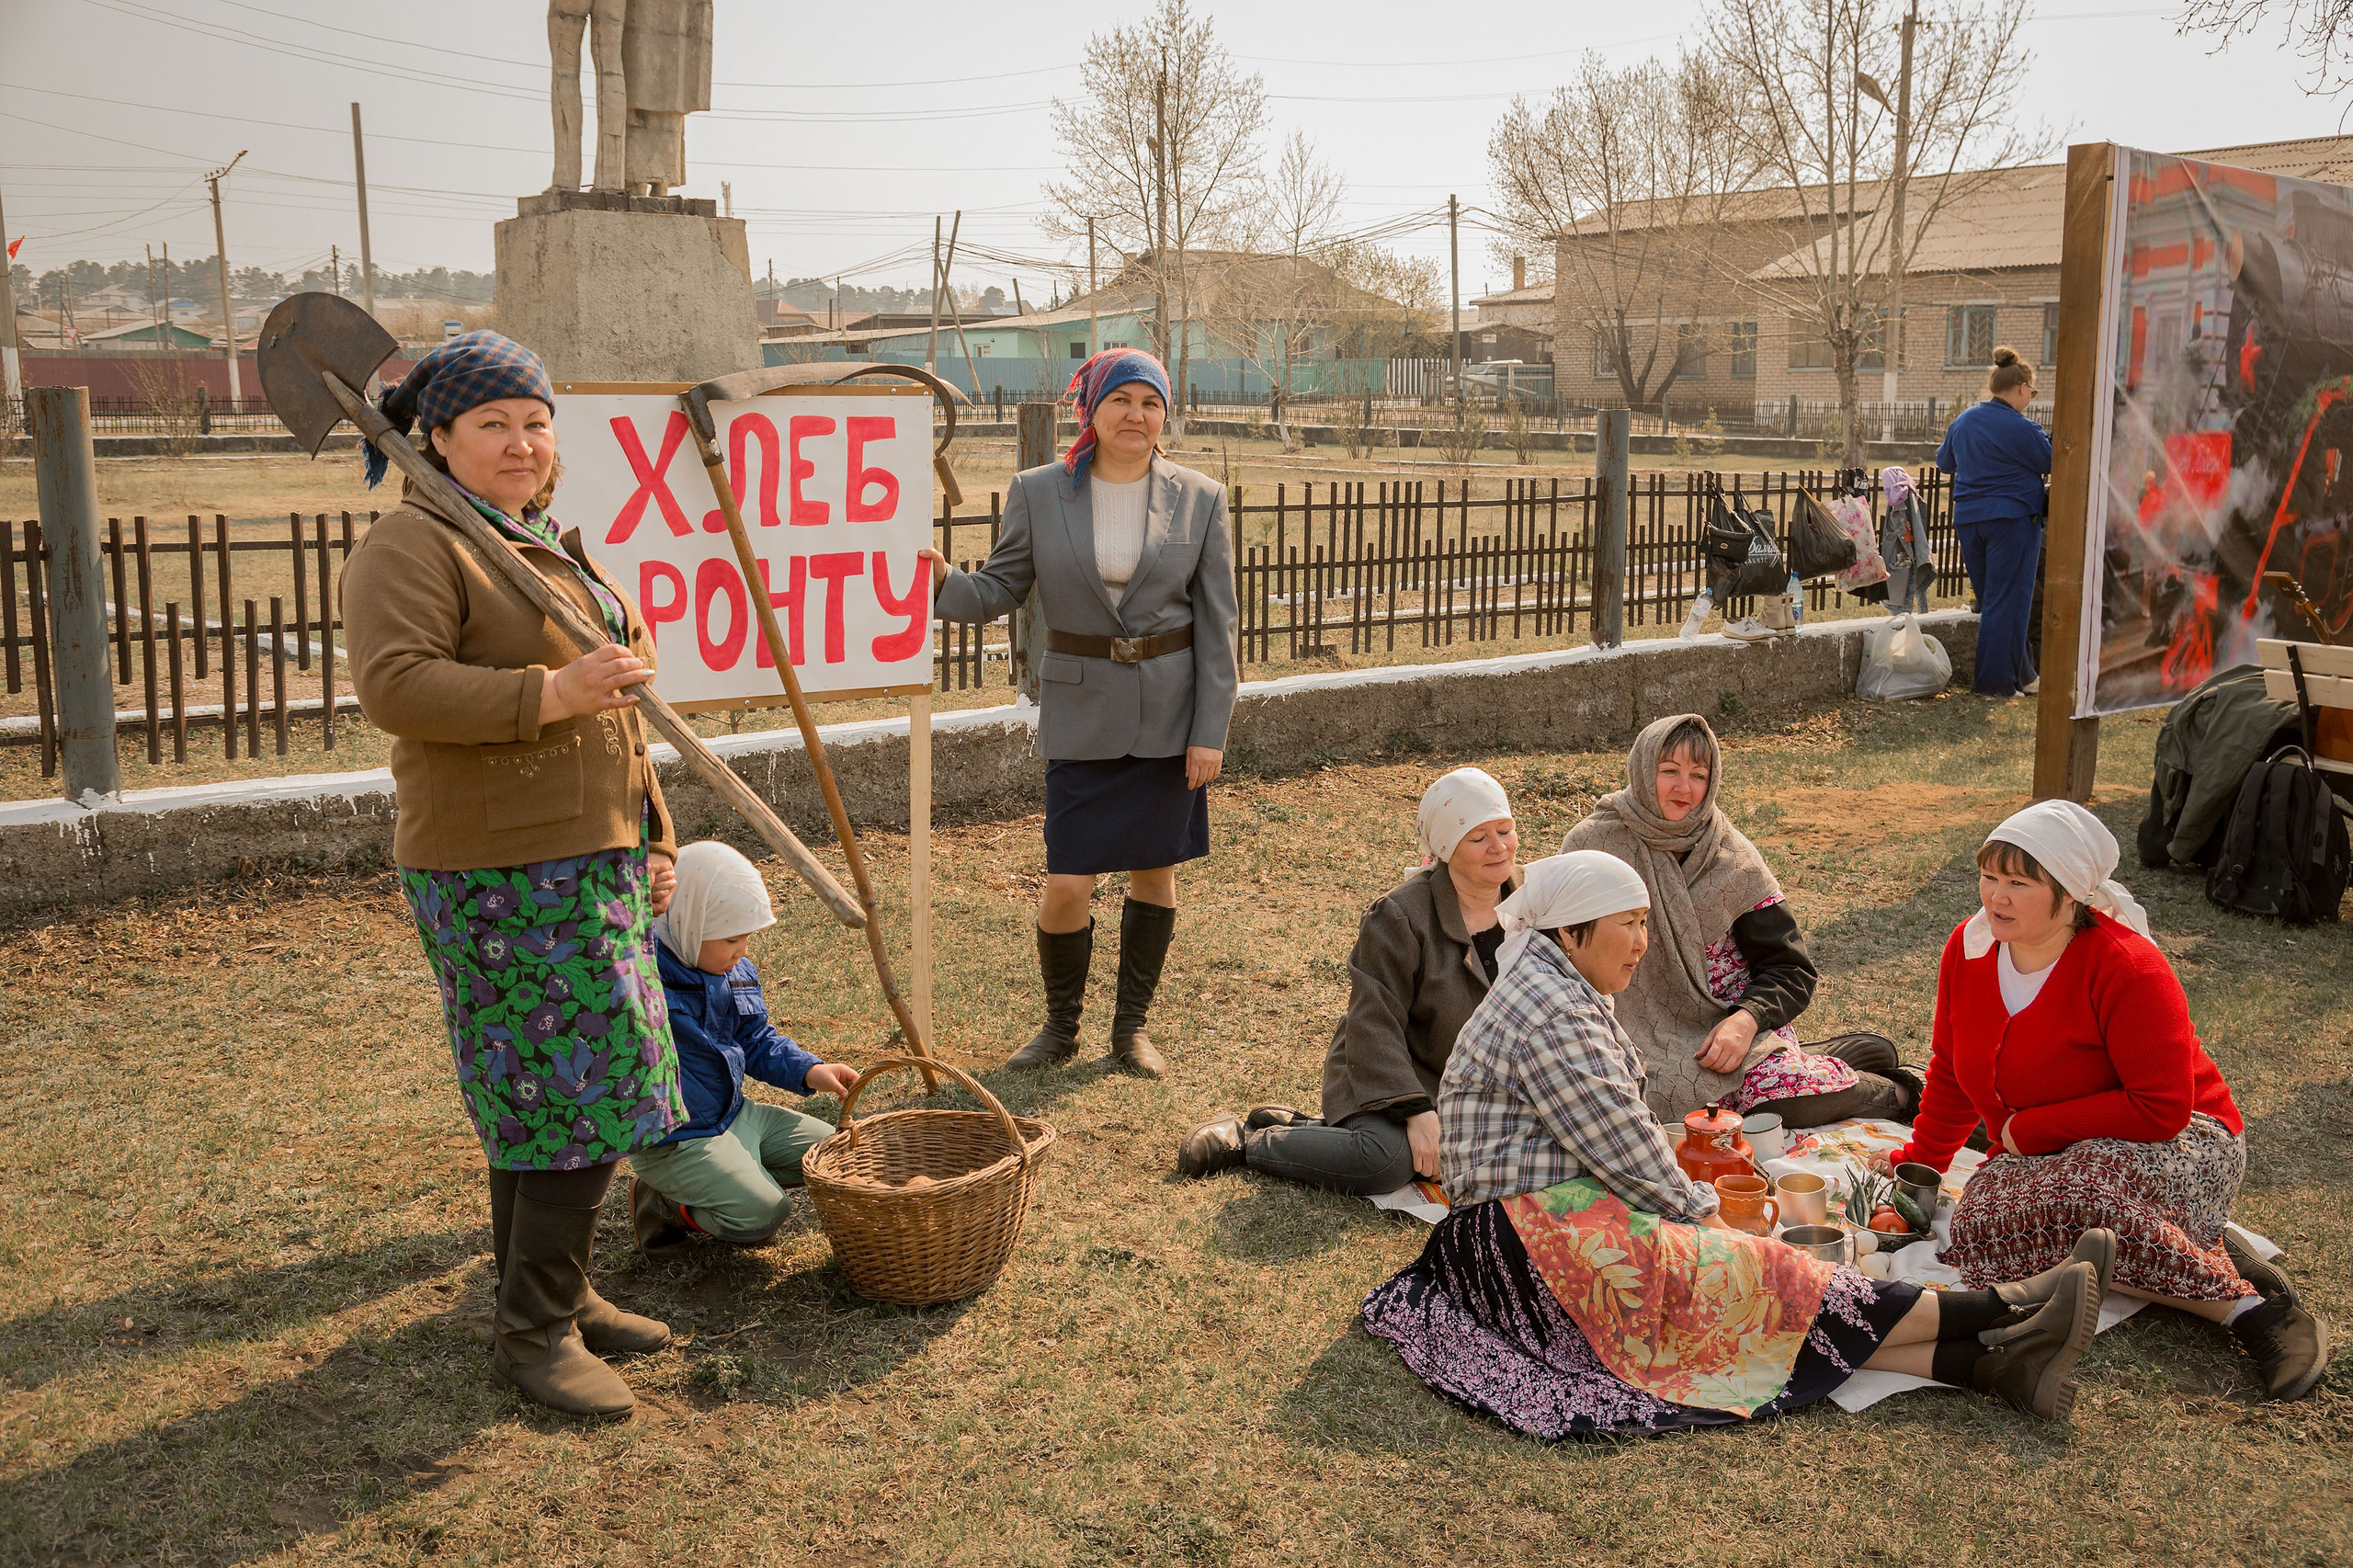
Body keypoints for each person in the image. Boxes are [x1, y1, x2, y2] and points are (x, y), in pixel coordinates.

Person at [1358, 852, 2110, 1441]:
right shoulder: (1552, 1015)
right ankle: (2001, 1309)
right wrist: (1702, 1217)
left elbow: (1614, 1138)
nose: (1644, 944)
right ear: (1571, 931)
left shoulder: (1552, 988)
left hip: (1540, 1225)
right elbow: (1623, 1143)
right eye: (1630, 924)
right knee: (1748, 1278)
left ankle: (1989, 1368)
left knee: (1735, 1317)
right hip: (1523, 1242)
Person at [343, 332, 683, 1421]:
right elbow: (396, 686)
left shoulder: (532, 542)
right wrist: (550, 691)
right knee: (583, 1084)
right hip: (499, 866)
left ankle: (560, 1292)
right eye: (492, 423)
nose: (521, 441)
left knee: (540, 1087)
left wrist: (656, 831)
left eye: (535, 421)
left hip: (589, 851)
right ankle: (531, 1332)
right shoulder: (413, 542)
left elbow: (616, 701)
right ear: (436, 439)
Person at [1887, 801, 2332, 1403]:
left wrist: (2027, 1131)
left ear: (2070, 894)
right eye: (1990, 877)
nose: (1997, 897)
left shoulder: (2127, 966)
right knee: (1979, 1225)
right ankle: (2203, 1241)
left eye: (2020, 883)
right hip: (2058, 1145)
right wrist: (1923, 1165)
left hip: (2185, 1137)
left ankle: (2252, 1310)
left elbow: (2161, 1108)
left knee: (2084, 1201)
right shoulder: (1967, 953)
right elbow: (1949, 1071)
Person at [920, 348, 1238, 1079]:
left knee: (1154, 877)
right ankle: (1060, 1027)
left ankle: (1131, 1031)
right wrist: (937, 574)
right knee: (1067, 881)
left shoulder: (1200, 496)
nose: (1137, 415)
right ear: (1090, 411)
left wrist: (1208, 733)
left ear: (1166, 416)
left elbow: (1219, 625)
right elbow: (994, 592)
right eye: (1121, 400)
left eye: (1151, 403)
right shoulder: (1039, 492)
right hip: (1080, 711)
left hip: (1169, 715)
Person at [1560, 713, 1919, 1127]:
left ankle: (1896, 1092)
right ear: (1642, 771)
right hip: (1627, 1030)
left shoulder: (1731, 856)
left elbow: (1790, 969)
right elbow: (1562, 944)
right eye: (1669, 771)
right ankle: (1823, 1058)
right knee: (1635, 1113)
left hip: (1728, 1033)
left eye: (1698, 774)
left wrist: (1746, 1021)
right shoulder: (1593, 844)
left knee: (1777, 1108)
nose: (1684, 788)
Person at [1174, 767, 1522, 1190]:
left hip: (1482, 1084)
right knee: (1386, 1161)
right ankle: (1248, 1140)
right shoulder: (1399, 915)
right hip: (1392, 1070)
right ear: (1447, 848)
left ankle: (1309, 1128)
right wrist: (1414, 1110)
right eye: (1478, 838)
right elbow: (1373, 1019)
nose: (1499, 847)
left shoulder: (1537, 901)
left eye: (1505, 829)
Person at [628, 841, 859, 1256]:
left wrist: (811, 1070)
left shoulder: (733, 969)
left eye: (747, 939)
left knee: (836, 1157)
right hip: (679, 1140)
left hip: (736, 1116)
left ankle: (733, 1175)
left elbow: (755, 1039)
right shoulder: (643, 980)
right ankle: (662, 1201)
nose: (743, 952)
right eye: (732, 939)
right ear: (688, 924)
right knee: (763, 1214)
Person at [1937, 347, 2052, 698]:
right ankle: (1995, 684)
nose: (2031, 399)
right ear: (2020, 387)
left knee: (1994, 599)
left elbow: (1945, 462)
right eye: (2032, 392)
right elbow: (2053, 460)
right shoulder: (2023, 428)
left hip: (1970, 521)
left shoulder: (1965, 420)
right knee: (2010, 601)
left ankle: (2026, 676)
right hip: (2012, 520)